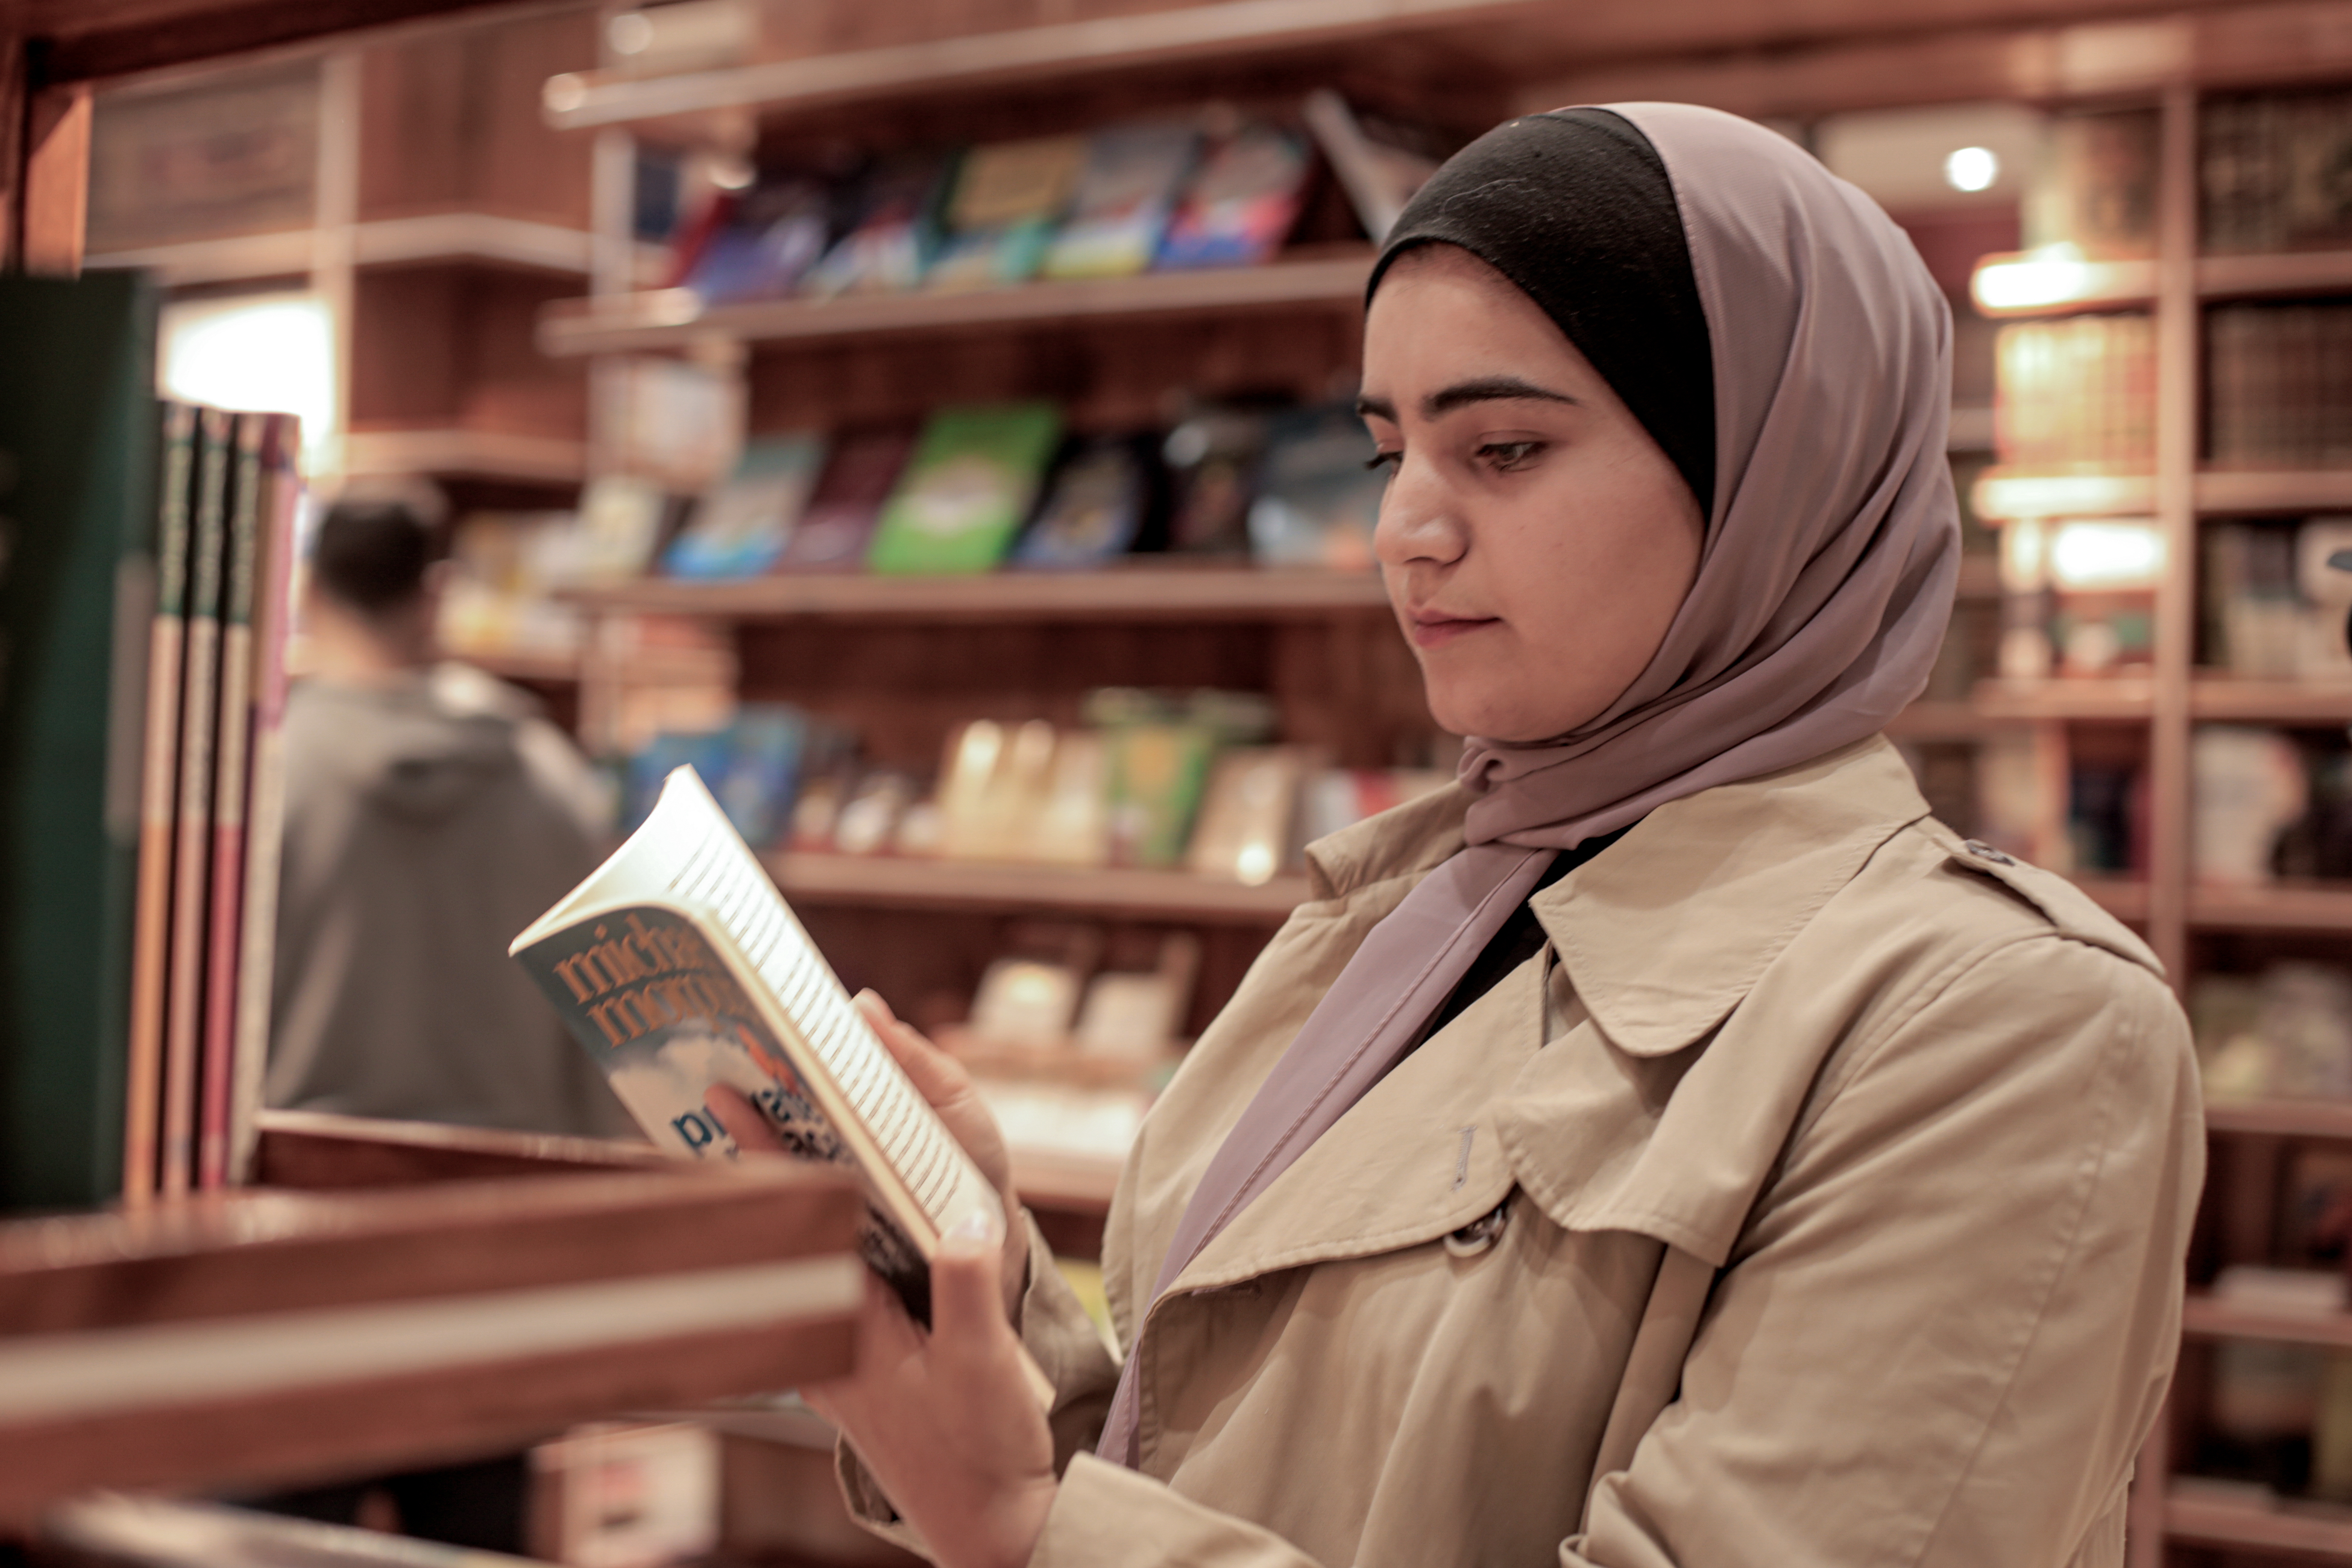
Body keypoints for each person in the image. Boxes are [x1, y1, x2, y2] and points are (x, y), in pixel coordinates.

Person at [719, 104, 2204, 1568]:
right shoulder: (1407, 908)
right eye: (1387, 455)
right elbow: (1208, 1461)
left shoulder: (2011, 1024)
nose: (1404, 528)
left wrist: (1026, 1527)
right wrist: (981, 1281)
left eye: (1500, 448)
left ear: (1773, 472)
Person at [267, 496, 629, 1138]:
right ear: (435, 597)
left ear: (308, 593)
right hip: (508, 1189)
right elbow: (602, 1029)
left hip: (311, 1179)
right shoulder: (547, 771)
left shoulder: (267, 778)